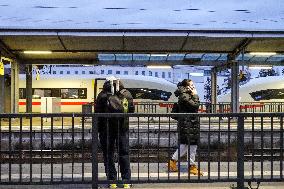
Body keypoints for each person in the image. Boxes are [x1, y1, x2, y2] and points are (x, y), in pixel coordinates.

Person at [95, 77, 135, 188]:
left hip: (106, 129)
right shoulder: (127, 94)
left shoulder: (102, 95)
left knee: (108, 155)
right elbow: (131, 111)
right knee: (124, 154)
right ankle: (126, 181)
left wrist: (98, 129)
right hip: (122, 128)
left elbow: (97, 113)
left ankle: (112, 181)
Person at [168, 79, 203, 176]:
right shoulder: (184, 95)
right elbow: (195, 106)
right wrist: (195, 95)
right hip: (188, 124)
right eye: (192, 85)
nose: (193, 87)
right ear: (186, 86)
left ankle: (173, 161)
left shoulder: (184, 94)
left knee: (186, 145)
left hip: (189, 123)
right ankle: (191, 166)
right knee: (191, 145)